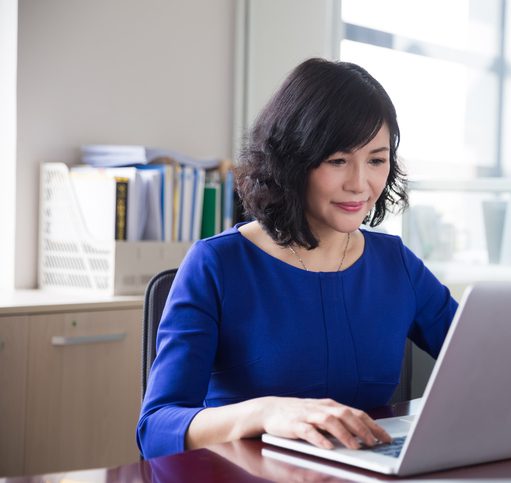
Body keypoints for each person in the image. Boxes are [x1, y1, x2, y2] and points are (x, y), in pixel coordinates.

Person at [136, 58, 458, 459]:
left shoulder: (396, 263)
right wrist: (267, 411)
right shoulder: (216, 264)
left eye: (376, 160)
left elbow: (485, 357)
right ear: (293, 161)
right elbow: (156, 427)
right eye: (338, 161)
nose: (360, 184)